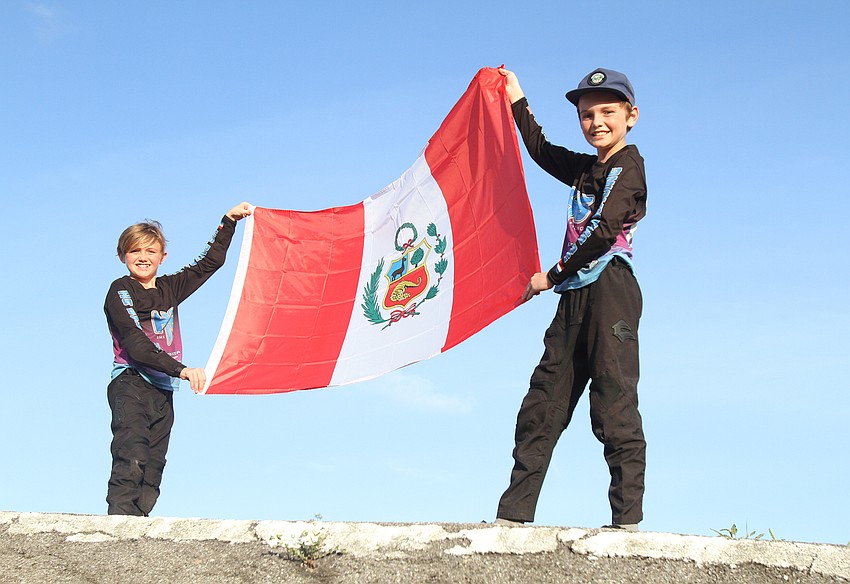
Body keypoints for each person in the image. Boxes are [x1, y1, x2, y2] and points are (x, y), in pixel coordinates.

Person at [495, 67, 647, 531]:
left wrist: (551, 274)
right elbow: (540, 150)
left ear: (630, 116)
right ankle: (513, 517)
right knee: (543, 402)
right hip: (574, 297)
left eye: (607, 112)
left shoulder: (630, 167)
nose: (596, 121)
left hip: (611, 291)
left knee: (612, 401)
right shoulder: (585, 168)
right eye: (586, 114)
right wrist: (516, 97)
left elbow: (603, 231)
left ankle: (626, 523)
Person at [103, 202, 253, 516]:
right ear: (122, 256)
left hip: (163, 389)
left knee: (154, 466)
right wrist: (182, 370)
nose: (143, 257)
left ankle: (139, 523)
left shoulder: (171, 287)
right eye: (134, 252)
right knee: (132, 453)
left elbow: (209, 263)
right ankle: (117, 526)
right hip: (130, 382)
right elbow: (136, 344)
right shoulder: (120, 291)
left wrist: (228, 221)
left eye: (150, 251)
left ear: (162, 257)